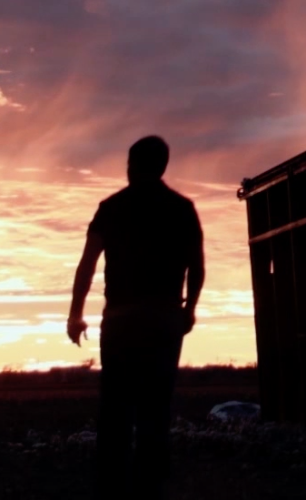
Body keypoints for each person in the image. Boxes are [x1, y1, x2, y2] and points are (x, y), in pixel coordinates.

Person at [68, 135, 205, 499]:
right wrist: (188, 309)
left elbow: (87, 265)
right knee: (155, 409)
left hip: (121, 321)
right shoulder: (182, 208)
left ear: (132, 164)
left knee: (115, 409)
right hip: (163, 322)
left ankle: (111, 486)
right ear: (163, 166)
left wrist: (75, 314)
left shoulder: (111, 207)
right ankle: (150, 486)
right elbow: (197, 266)